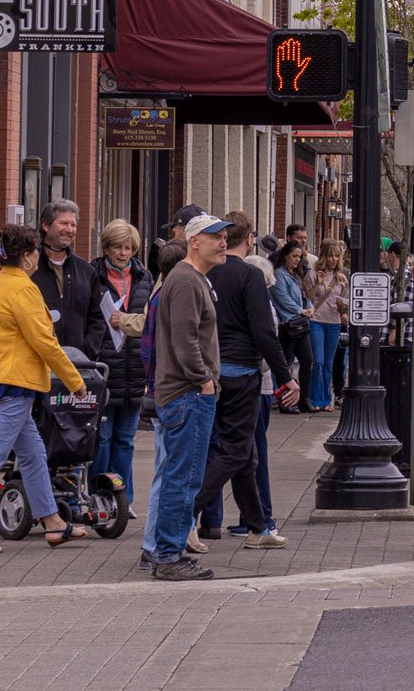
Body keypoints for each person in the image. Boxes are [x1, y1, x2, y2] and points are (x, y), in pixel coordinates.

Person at [0, 223, 91, 553]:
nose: (38, 258)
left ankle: (54, 523)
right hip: (14, 383)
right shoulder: (24, 290)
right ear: (28, 256)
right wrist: (75, 381)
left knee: (32, 453)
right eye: (35, 252)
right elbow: (45, 342)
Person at [195, 213, 297, 550]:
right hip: (241, 373)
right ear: (249, 238)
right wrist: (286, 377)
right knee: (237, 451)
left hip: (210, 372)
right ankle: (184, 513)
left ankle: (257, 526)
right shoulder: (250, 275)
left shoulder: (204, 273)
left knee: (242, 453)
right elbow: (264, 331)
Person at [145, 213, 229, 580]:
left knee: (183, 476)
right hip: (187, 393)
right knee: (183, 477)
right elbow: (185, 340)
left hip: (188, 392)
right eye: (215, 237)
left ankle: (170, 551)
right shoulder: (185, 280)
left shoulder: (191, 279)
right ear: (194, 241)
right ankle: (167, 555)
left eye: (225, 236)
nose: (223, 242)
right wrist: (204, 380)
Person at [94, 219, 154, 518]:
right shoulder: (93, 275)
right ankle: (100, 496)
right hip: (104, 367)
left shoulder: (144, 277)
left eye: (128, 247)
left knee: (126, 440)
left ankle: (124, 499)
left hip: (133, 368)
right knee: (102, 438)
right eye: (117, 247)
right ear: (106, 247)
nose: (123, 253)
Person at [31, 199, 113, 372]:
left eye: (73, 225)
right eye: (63, 223)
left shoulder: (86, 271)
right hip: (36, 366)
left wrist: (88, 350)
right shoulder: (29, 269)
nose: (69, 230)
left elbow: (98, 316)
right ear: (46, 226)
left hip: (78, 366)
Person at [305, 241, 350, 411]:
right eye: (330, 255)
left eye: (336, 256)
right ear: (324, 256)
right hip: (316, 320)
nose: (333, 259)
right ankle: (316, 399)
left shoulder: (341, 278)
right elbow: (308, 296)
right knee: (318, 361)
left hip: (334, 322)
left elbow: (347, 301)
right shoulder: (312, 273)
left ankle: (326, 400)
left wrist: (343, 309)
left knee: (328, 364)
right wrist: (318, 282)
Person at [269, 240, 312, 416]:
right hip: (287, 324)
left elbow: (305, 295)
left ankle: (304, 398)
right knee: (285, 364)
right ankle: (285, 401)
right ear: (285, 255)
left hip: (300, 323)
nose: (296, 260)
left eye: (299, 257)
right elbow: (282, 299)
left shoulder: (296, 275)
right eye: (294, 256)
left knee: (307, 360)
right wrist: (301, 310)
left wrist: (309, 307)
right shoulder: (279, 275)